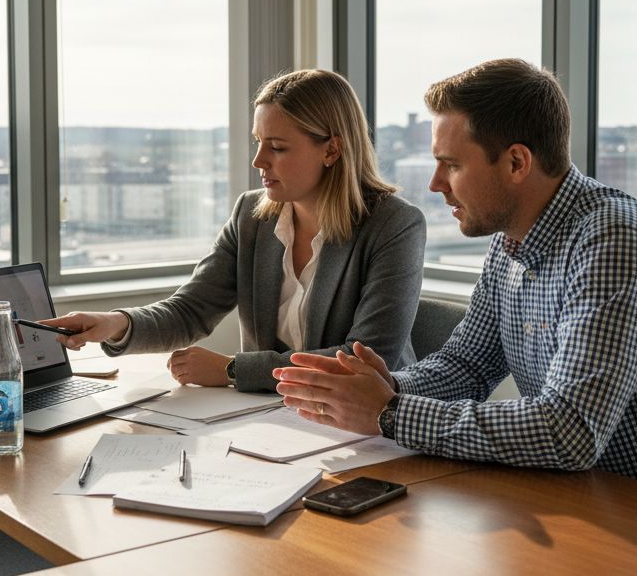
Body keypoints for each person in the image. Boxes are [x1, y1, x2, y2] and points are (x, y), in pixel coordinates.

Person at [273, 58, 637, 493]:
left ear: (517, 162)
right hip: (582, 495)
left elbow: (569, 432)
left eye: (452, 165)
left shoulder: (613, 240)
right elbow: (467, 365)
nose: (435, 184)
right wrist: (390, 388)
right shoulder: (511, 241)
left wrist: (391, 412)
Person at [43, 69, 426, 392]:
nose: (258, 161)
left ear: (331, 150)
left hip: (364, 425)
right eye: (259, 143)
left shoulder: (395, 225)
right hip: (268, 418)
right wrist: (116, 323)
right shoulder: (251, 216)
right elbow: (190, 310)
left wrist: (232, 369)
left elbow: (364, 359)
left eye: (277, 147)